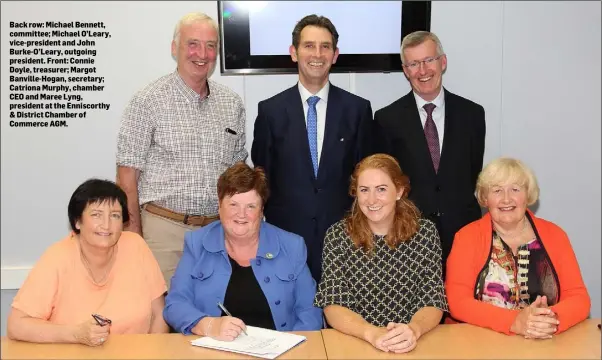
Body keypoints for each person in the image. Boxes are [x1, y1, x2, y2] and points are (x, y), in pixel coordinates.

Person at [116, 12, 247, 286]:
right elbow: (127, 178)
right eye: (193, 44)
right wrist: (134, 239)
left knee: (215, 317)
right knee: (161, 319)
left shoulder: (232, 103)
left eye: (211, 46)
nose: (202, 53)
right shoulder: (147, 101)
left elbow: (238, 175)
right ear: (174, 48)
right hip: (163, 232)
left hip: (217, 233)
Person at [251, 14, 375, 284]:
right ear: (294, 53)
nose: (317, 54)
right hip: (284, 244)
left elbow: (366, 180)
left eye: (325, 46)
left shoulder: (358, 110)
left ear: (335, 54)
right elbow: (262, 181)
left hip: (345, 243)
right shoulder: (270, 111)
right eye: (308, 46)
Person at [164, 162, 322, 338]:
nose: (241, 214)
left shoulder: (292, 246)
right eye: (233, 205)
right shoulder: (197, 244)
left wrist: (292, 346)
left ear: (262, 210)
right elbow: (175, 304)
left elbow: (311, 310)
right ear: (220, 206)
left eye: (251, 206)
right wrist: (208, 326)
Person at [373, 31, 486, 272]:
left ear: (442, 62)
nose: (423, 71)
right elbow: (388, 182)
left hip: (464, 236)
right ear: (405, 70)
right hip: (408, 239)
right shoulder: (386, 119)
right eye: (414, 64)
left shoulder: (473, 115)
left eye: (429, 60)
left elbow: (473, 173)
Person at [7, 179, 168, 346]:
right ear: (77, 222)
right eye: (96, 215)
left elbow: (159, 314)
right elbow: (17, 325)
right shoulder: (57, 257)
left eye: (115, 216)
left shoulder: (136, 246)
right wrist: (76, 334)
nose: (106, 225)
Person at [314, 154, 448, 354]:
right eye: (364, 190)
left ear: (399, 191)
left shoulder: (425, 233)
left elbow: (433, 298)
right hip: (355, 342)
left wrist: (413, 330)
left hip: (412, 344)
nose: (372, 200)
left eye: (382, 189)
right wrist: (372, 334)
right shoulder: (337, 235)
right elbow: (333, 304)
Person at [446, 157, 591, 338]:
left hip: (545, 343)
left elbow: (578, 297)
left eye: (515, 189)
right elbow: (457, 302)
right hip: (479, 344)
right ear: (485, 198)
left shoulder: (555, 235)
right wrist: (514, 322)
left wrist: (550, 320)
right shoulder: (466, 237)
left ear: (527, 195)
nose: (506, 199)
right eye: (497, 190)